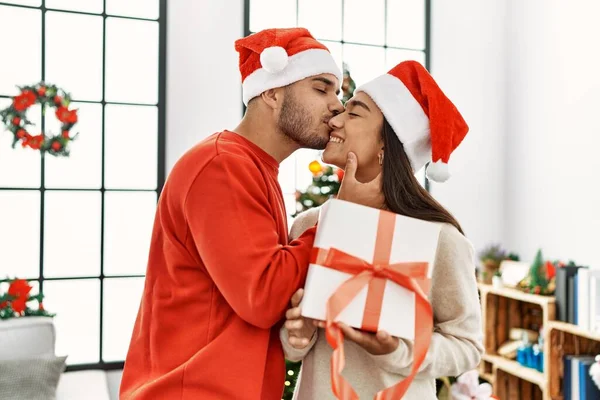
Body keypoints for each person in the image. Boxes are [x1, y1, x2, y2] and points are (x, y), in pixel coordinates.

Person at [120, 27, 381, 400]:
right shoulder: (222, 165)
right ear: (272, 92)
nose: (337, 106)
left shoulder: (256, 169)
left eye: (337, 93)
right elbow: (263, 296)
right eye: (321, 88)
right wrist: (339, 216)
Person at [281, 60, 484, 399]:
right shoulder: (308, 226)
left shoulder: (439, 239)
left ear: (387, 143)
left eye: (354, 113)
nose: (335, 119)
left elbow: (467, 347)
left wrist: (397, 352)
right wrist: (297, 336)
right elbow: (292, 347)